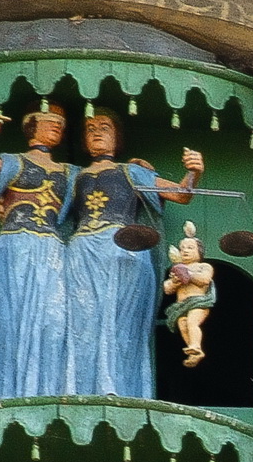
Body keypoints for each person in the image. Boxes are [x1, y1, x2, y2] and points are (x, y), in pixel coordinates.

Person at [63, 106, 203, 399]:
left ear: (119, 138)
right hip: (82, 254)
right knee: (81, 324)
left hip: (123, 251)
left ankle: (119, 390)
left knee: (120, 324)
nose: (97, 132)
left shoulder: (131, 171)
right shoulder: (73, 175)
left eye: (104, 127)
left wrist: (193, 172)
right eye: (89, 128)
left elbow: (181, 194)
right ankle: (78, 390)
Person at [0, 105, 76, 400]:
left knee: (54, 324)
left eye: (61, 124)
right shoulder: (12, 162)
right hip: (14, 246)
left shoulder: (71, 173)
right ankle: (5, 393)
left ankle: (47, 393)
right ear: (31, 127)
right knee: (9, 321)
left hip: (51, 250)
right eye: (50, 122)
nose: (56, 127)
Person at [162, 223, 217, 369]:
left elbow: (205, 280)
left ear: (199, 251)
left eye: (190, 248)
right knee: (183, 325)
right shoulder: (177, 269)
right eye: (182, 248)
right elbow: (167, 289)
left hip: (198, 302)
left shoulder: (203, 267)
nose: (185, 251)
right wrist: (175, 281)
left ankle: (195, 346)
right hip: (181, 306)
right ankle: (193, 351)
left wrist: (188, 274)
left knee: (192, 322)